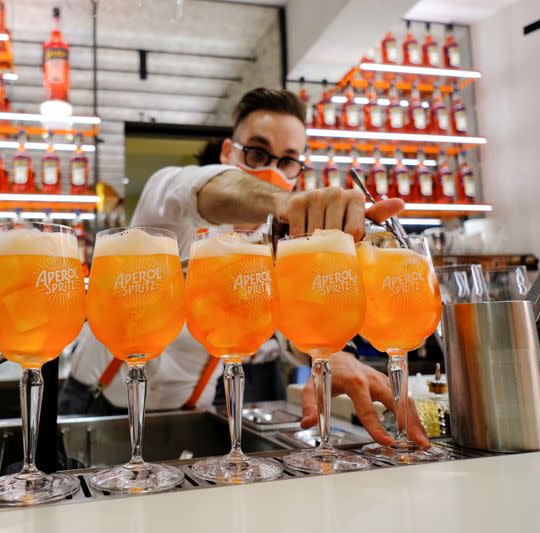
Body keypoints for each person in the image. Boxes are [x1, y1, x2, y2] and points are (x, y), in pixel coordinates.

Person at [60, 87, 429, 449]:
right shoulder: (170, 205)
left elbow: (284, 323)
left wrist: (332, 355)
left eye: (287, 162)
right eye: (256, 152)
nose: (271, 170)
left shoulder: (278, 243)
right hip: (97, 402)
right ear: (227, 152)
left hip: (193, 413)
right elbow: (195, 188)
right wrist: (287, 201)